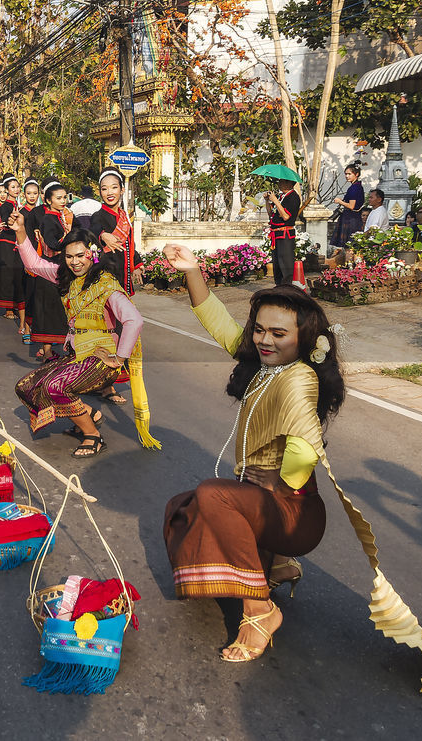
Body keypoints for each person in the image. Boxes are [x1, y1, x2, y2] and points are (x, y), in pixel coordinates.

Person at [159, 242, 342, 663]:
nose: (264, 340)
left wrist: (282, 481)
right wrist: (192, 270)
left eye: (279, 334)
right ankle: (275, 564)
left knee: (211, 496)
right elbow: (220, 324)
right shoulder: (266, 365)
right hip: (268, 505)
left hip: (295, 513)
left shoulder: (297, 378)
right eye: (260, 329)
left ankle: (259, 608)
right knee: (182, 508)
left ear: (305, 338)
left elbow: (304, 444)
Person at [12, 216, 159, 457]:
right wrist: (20, 230)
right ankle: (90, 413)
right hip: (78, 355)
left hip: (102, 359)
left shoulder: (105, 283)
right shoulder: (65, 277)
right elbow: (33, 263)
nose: (75, 262)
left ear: (92, 254)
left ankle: (93, 435)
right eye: (69, 257)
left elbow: (134, 321)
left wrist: (119, 359)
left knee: (54, 386)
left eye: (80, 255)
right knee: (26, 386)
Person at [29, 178, 74, 363]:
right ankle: (47, 351)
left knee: (60, 308)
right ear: (48, 200)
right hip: (49, 268)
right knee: (48, 309)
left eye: (64, 197)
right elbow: (51, 243)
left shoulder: (62, 216)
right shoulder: (48, 219)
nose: (63, 201)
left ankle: (60, 347)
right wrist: (69, 240)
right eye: (58, 198)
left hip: (61, 267)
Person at [90, 168, 143, 295]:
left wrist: (136, 264)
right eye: (104, 189)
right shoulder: (98, 216)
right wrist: (102, 235)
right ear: (100, 192)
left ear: (122, 190)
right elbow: (92, 231)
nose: (109, 193)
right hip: (106, 275)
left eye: (114, 187)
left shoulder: (124, 216)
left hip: (124, 274)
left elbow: (129, 244)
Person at [0, 175, 25, 321]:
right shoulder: (6, 205)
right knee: (7, 275)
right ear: (6, 190)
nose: (16, 189)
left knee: (18, 275)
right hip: (7, 243)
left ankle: (17, 304)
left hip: (18, 242)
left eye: (18, 187)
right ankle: (8, 308)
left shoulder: (18, 206)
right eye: (13, 187)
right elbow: (6, 221)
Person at [264, 176, 302, 285]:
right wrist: (268, 201)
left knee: (285, 263)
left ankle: (287, 286)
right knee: (277, 263)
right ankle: (279, 285)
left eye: (281, 181)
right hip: (276, 233)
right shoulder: (282, 197)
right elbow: (271, 214)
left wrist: (275, 201)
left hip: (285, 233)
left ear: (289, 183)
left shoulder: (293, 197)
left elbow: (285, 216)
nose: (279, 183)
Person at [330, 164, 364, 250]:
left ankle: (350, 263)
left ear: (356, 174)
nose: (347, 176)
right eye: (346, 174)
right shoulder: (358, 186)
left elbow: (351, 206)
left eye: (349, 174)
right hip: (354, 218)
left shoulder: (354, 188)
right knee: (352, 246)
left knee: (349, 247)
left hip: (350, 219)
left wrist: (340, 201)